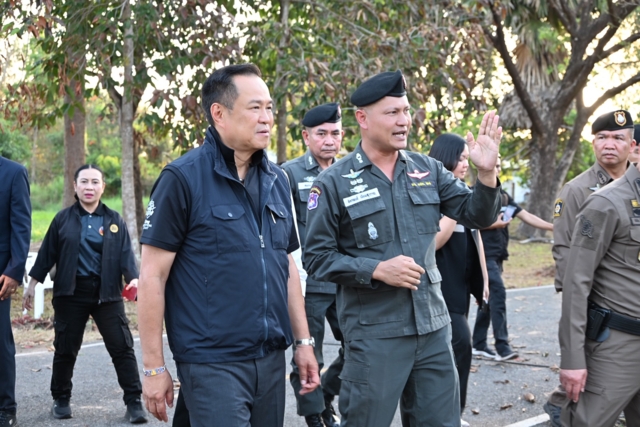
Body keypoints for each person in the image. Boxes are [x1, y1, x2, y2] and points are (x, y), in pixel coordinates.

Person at [303, 70, 503, 427]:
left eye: (406, 111)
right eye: (392, 112)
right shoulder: (332, 182)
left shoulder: (428, 170)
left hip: (433, 328)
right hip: (374, 334)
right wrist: (376, 269)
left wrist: (486, 176)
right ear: (362, 118)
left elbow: (477, 214)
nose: (404, 121)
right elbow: (316, 258)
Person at [137, 63, 319, 427]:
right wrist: (154, 367)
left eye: (269, 107)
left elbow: (286, 266)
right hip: (212, 362)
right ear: (219, 113)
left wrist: (303, 343)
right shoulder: (182, 179)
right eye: (255, 108)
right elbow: (152, 276)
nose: (266, 118)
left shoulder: (278, 180)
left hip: (270, 359)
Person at [22, 164, 146, 423]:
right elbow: (46, 254)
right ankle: (61, 399)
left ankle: (134, 401)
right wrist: (32, 284)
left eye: (95, 182)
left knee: (122, 347)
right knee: (65, 348)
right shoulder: (62, 219)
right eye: (84, 182)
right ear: (75, 186)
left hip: (107, 294)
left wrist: (133, 279)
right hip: (70, 293)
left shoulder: (114, 220)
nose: (89, 187)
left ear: (103, 187)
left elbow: (126, 256)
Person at [543, 110, 636, 425]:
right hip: (599, 312)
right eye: (602, 137)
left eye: (618, 138)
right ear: (593, 142)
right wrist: (584, 319)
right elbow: (566, 255)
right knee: (585, 396)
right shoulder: (578, 190)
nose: (609, 144)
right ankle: (562, 408)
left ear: (631, 146)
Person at [282, 103, 344, 427]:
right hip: (310, 283)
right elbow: (285, 234)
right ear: (306, 137)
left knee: (360, 346)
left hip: (346, 278)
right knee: (308, 353)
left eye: (335, 133)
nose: (329, 140)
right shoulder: (289, 174)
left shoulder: (350, 171)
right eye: (321, 134)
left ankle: (327, 393)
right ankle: (315, 415)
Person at [430, 133, 490, 427]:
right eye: (461, 158)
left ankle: (455, 413)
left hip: (461, 288)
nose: (466, 164)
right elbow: (435, 242)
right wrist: (456, 207)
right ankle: (448, 413)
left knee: (458, 352)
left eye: (468, 158)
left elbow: (476, 236)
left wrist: (484, 282)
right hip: (439, 289)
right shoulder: (432, 195)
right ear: (446, 158)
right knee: (461, 345)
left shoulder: (464, 192)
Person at [471, 157, 553, 362]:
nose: (496, 169)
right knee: (498, 295)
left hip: (498, 257)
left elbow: (527, 216)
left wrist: (554, 227)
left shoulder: (504, 197)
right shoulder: (474, 194)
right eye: (494, 165)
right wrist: (493, 224)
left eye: (499, 166)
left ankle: (478, 344)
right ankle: (502, 347)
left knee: (488, 299)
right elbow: (466, 222)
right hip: (483, 257)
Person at [0, 155, 31, 427]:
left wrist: (14, 270)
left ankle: (6, 407)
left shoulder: (13, 172)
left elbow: (21, 226)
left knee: (0, 341)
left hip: (0, 273)